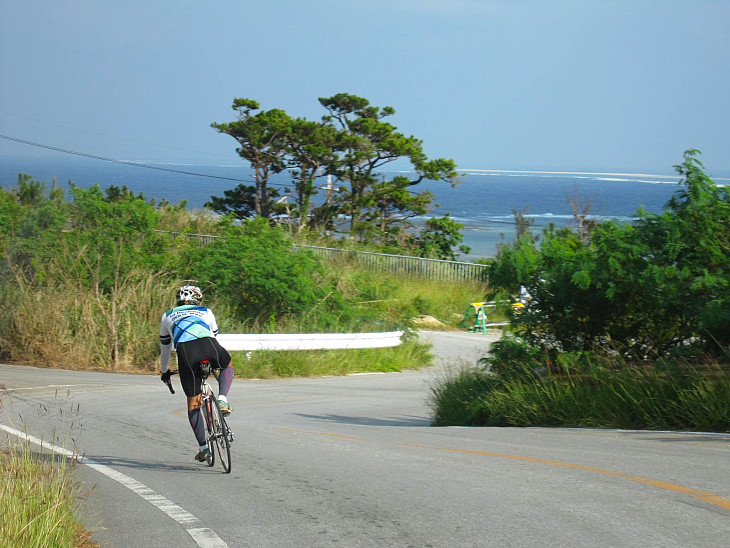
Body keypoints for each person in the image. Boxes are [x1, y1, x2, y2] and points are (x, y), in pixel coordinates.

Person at [159, 285, 234, 464]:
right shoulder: (205, 311)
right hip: (209, 345)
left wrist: (164, 372)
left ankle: (204, 448)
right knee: (227, 364)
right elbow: (215, 337)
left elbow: (165, 350)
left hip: (186, 352)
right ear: (198, 300)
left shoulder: (167, 315)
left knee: (194, 405)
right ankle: (222, 398)